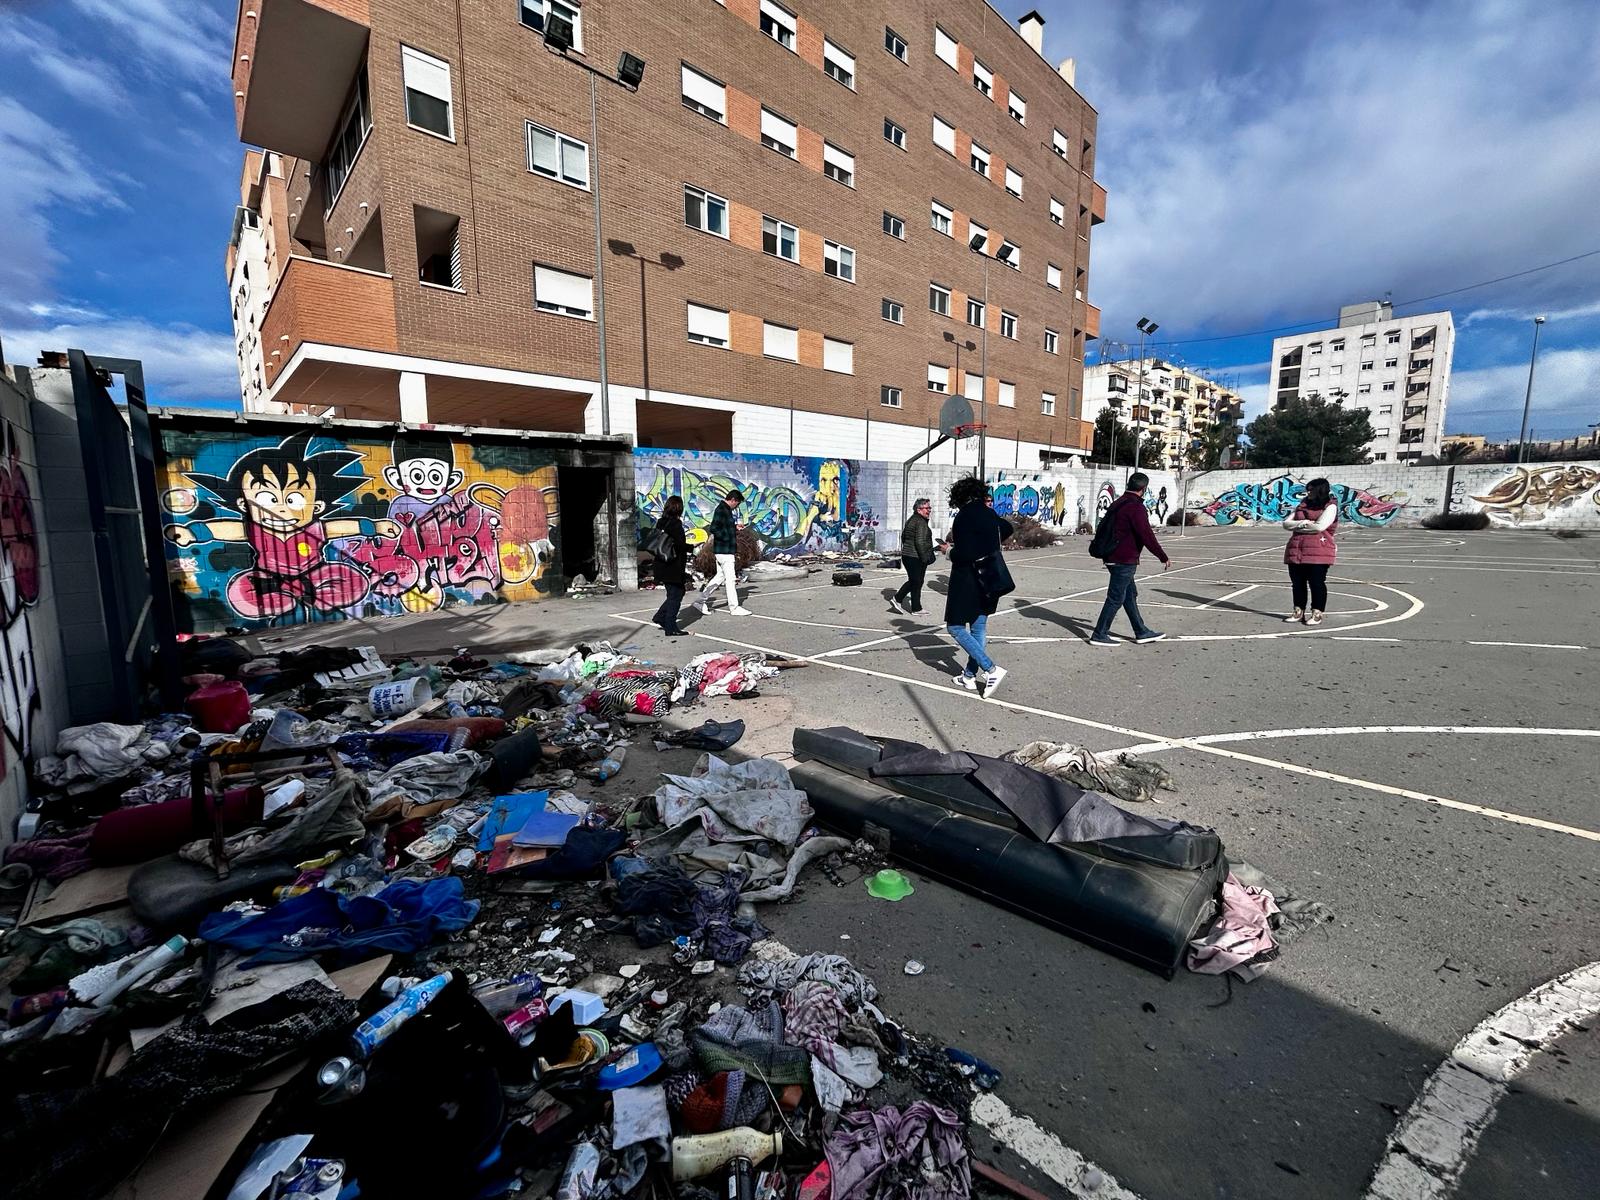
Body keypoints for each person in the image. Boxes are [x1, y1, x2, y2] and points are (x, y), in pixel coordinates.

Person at [944, 476, 1012, 697]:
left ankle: (991, 668)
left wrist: (948, 552)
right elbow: (1007, 527)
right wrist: (989, 544)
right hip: (991, 577)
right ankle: (969, 676)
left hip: (968, 579)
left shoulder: (964, 516)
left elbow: (964, 553)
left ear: (959, 497)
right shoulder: (989, 513)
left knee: (955, 627)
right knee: (978, 628)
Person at [1088, 472, 1170, 646]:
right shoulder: (1136, 508)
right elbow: (1146, 535)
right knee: (1116, 597)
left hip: (1111, 556)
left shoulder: (1118, 502)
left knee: (1129, 595)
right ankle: (1099, 634)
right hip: (1123, 559)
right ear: (1143, 489)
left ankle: (1141, 631)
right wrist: (1162, 556)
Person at [1282, 477, 1337, 625]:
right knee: (1297, 583)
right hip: (1296, 549)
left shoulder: (1330, 507)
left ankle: (1317, 612)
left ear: (1320, 490)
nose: (1308, 492)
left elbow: (1320, 527)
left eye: (1311, 489)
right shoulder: (1302, 505)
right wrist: (1303, 523)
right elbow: (1286, 524)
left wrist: (1301, 525)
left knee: (1316, 583)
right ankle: (1298, 611)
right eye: (1308, 489)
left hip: (1319, 551)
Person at [697, 488, 750, 616]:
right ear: (733, 500)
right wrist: (728, 536)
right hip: (725, 550)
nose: (736, 507)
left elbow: (723, 526)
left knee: (719, 577)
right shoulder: (722, 510)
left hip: (723, 550)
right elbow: (714, 528)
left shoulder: (724, 510)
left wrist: (734, 527)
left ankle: (700, 601)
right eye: (737, 504)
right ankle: (734, 607)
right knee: (731, 579)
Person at [889, 497, 943, 614]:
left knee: (916, 581)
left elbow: (904, 537)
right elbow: (919, 542)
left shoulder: (912, 520)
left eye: (930, 508)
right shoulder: (920, 522)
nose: (929, 510)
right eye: (926, 508)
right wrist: (924, 558)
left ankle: (915, 607)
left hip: (909, 555)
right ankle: (898, 599)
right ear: (919, 510)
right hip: (915, 557)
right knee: (916, 581)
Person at [649, 496, 690, 636]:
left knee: (675, 593)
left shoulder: (661, 522)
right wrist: (690, 547)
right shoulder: (675, 524)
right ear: (679, 508)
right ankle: (670, 627)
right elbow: (679, 545)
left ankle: (661, 617)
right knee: (676, 595)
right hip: (672, 565)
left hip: (661, 563)